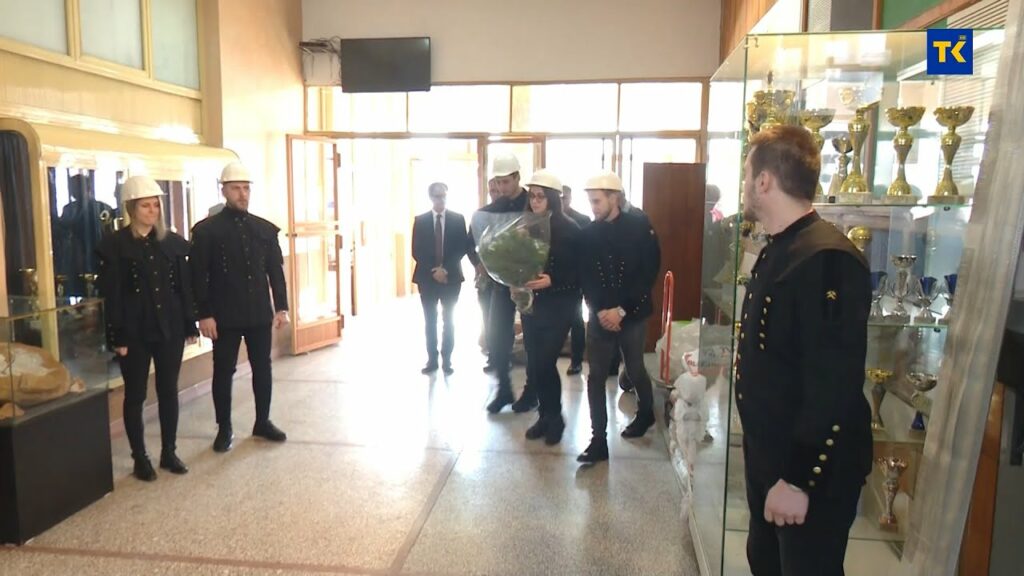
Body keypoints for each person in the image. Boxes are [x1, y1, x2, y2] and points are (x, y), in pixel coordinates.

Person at [736, 125, 872, 576]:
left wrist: (797, 479)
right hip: (771, 458)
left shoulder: (826, 258)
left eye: (747, 173)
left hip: (810, 474)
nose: (744, 184)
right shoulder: (782, 248)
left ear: (764, 181)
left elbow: (833, 384)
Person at [96, 175, 198, 481]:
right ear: (131, 208)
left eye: (155, 205)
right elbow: (112, 294)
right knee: (136, 395)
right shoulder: (114, 246)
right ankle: (140, 457)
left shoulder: (171, 243)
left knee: (168, 390)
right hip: (134, 332)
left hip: (169, 329)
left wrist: (189, 323)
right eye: (145, 206)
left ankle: (169, 452)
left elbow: (183, 288)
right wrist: (117, 335)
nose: (152, 211)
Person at [190, 162, 290, 453]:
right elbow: (198, 276)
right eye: (236, 188)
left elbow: (276, 272)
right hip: (223, 315)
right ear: (224, 191)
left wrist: (281, 307)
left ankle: (262, 421)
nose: (242, 194)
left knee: (263, 368)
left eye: (246, 188)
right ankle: (224, 428)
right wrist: (204, 314)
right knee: (223, 371)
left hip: (258, 312)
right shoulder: (207, 231)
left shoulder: (264, 229)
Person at [577, 171, 661, 463]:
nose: (593, 207)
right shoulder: (588, 234)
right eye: (590, 201)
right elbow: (586, 277)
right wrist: (600, 310)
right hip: (601, 315)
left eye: (597, 201)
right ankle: (598, 440)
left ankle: (646, 413)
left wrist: (621, 310)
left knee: (635, 367)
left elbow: (647, 273)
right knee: (596, 376)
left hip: (633, 313)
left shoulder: (640, 226)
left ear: (614, 198)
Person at [519, 171, 580, 445]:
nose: (535, 201)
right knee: (535, 364)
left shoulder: (570, 228)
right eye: (532, 196)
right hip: (532, 304)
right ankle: (545, 415)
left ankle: (556, 418)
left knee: (545, 362)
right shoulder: (526, 225)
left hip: (560, 306)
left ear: (553, 198)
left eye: (541, 196)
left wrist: (553, 279)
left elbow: (580, 272)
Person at [481, 153, 531, 413]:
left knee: (533, 338)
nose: (500, 188)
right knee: (496, 334)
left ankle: (531, 392)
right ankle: (503, 389)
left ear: (517, 177)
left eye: (505, 182)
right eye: (497, 182)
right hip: (501, 282)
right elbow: (479, 236)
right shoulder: (493, 209)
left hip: (530, 283)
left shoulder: (532, 203)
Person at [411, 182, 477, 375]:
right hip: (427, 277)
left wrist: (445, 269)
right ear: (431, 197)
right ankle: (432, 359)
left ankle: (447, 359)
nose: (441, 200)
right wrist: (434, 270)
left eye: (444, 196)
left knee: (449, 319)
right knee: (430, 320)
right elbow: (416, 250)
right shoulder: (421, 220)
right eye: (437, 196)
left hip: (451, 277)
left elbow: (462, 247)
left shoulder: (457, 219)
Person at [561, 185, 590, 376]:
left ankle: (576, 360)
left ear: (570, 198)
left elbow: (586, 252)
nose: (562, 201)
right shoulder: (545, 219)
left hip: (575, 280)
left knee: (576, 320)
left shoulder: (582, 220)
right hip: (552, 281)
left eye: (565, 197)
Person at [479, 178, 502, 372]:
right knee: (489, 318)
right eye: (492, 190)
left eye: (498, 189)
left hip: (510, 276)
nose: (496, 193)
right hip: (486, 277)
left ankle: (507, 355)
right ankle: (493, 357)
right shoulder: (482, 214)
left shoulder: (514, 212)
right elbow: (470, 243)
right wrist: (478, 264)